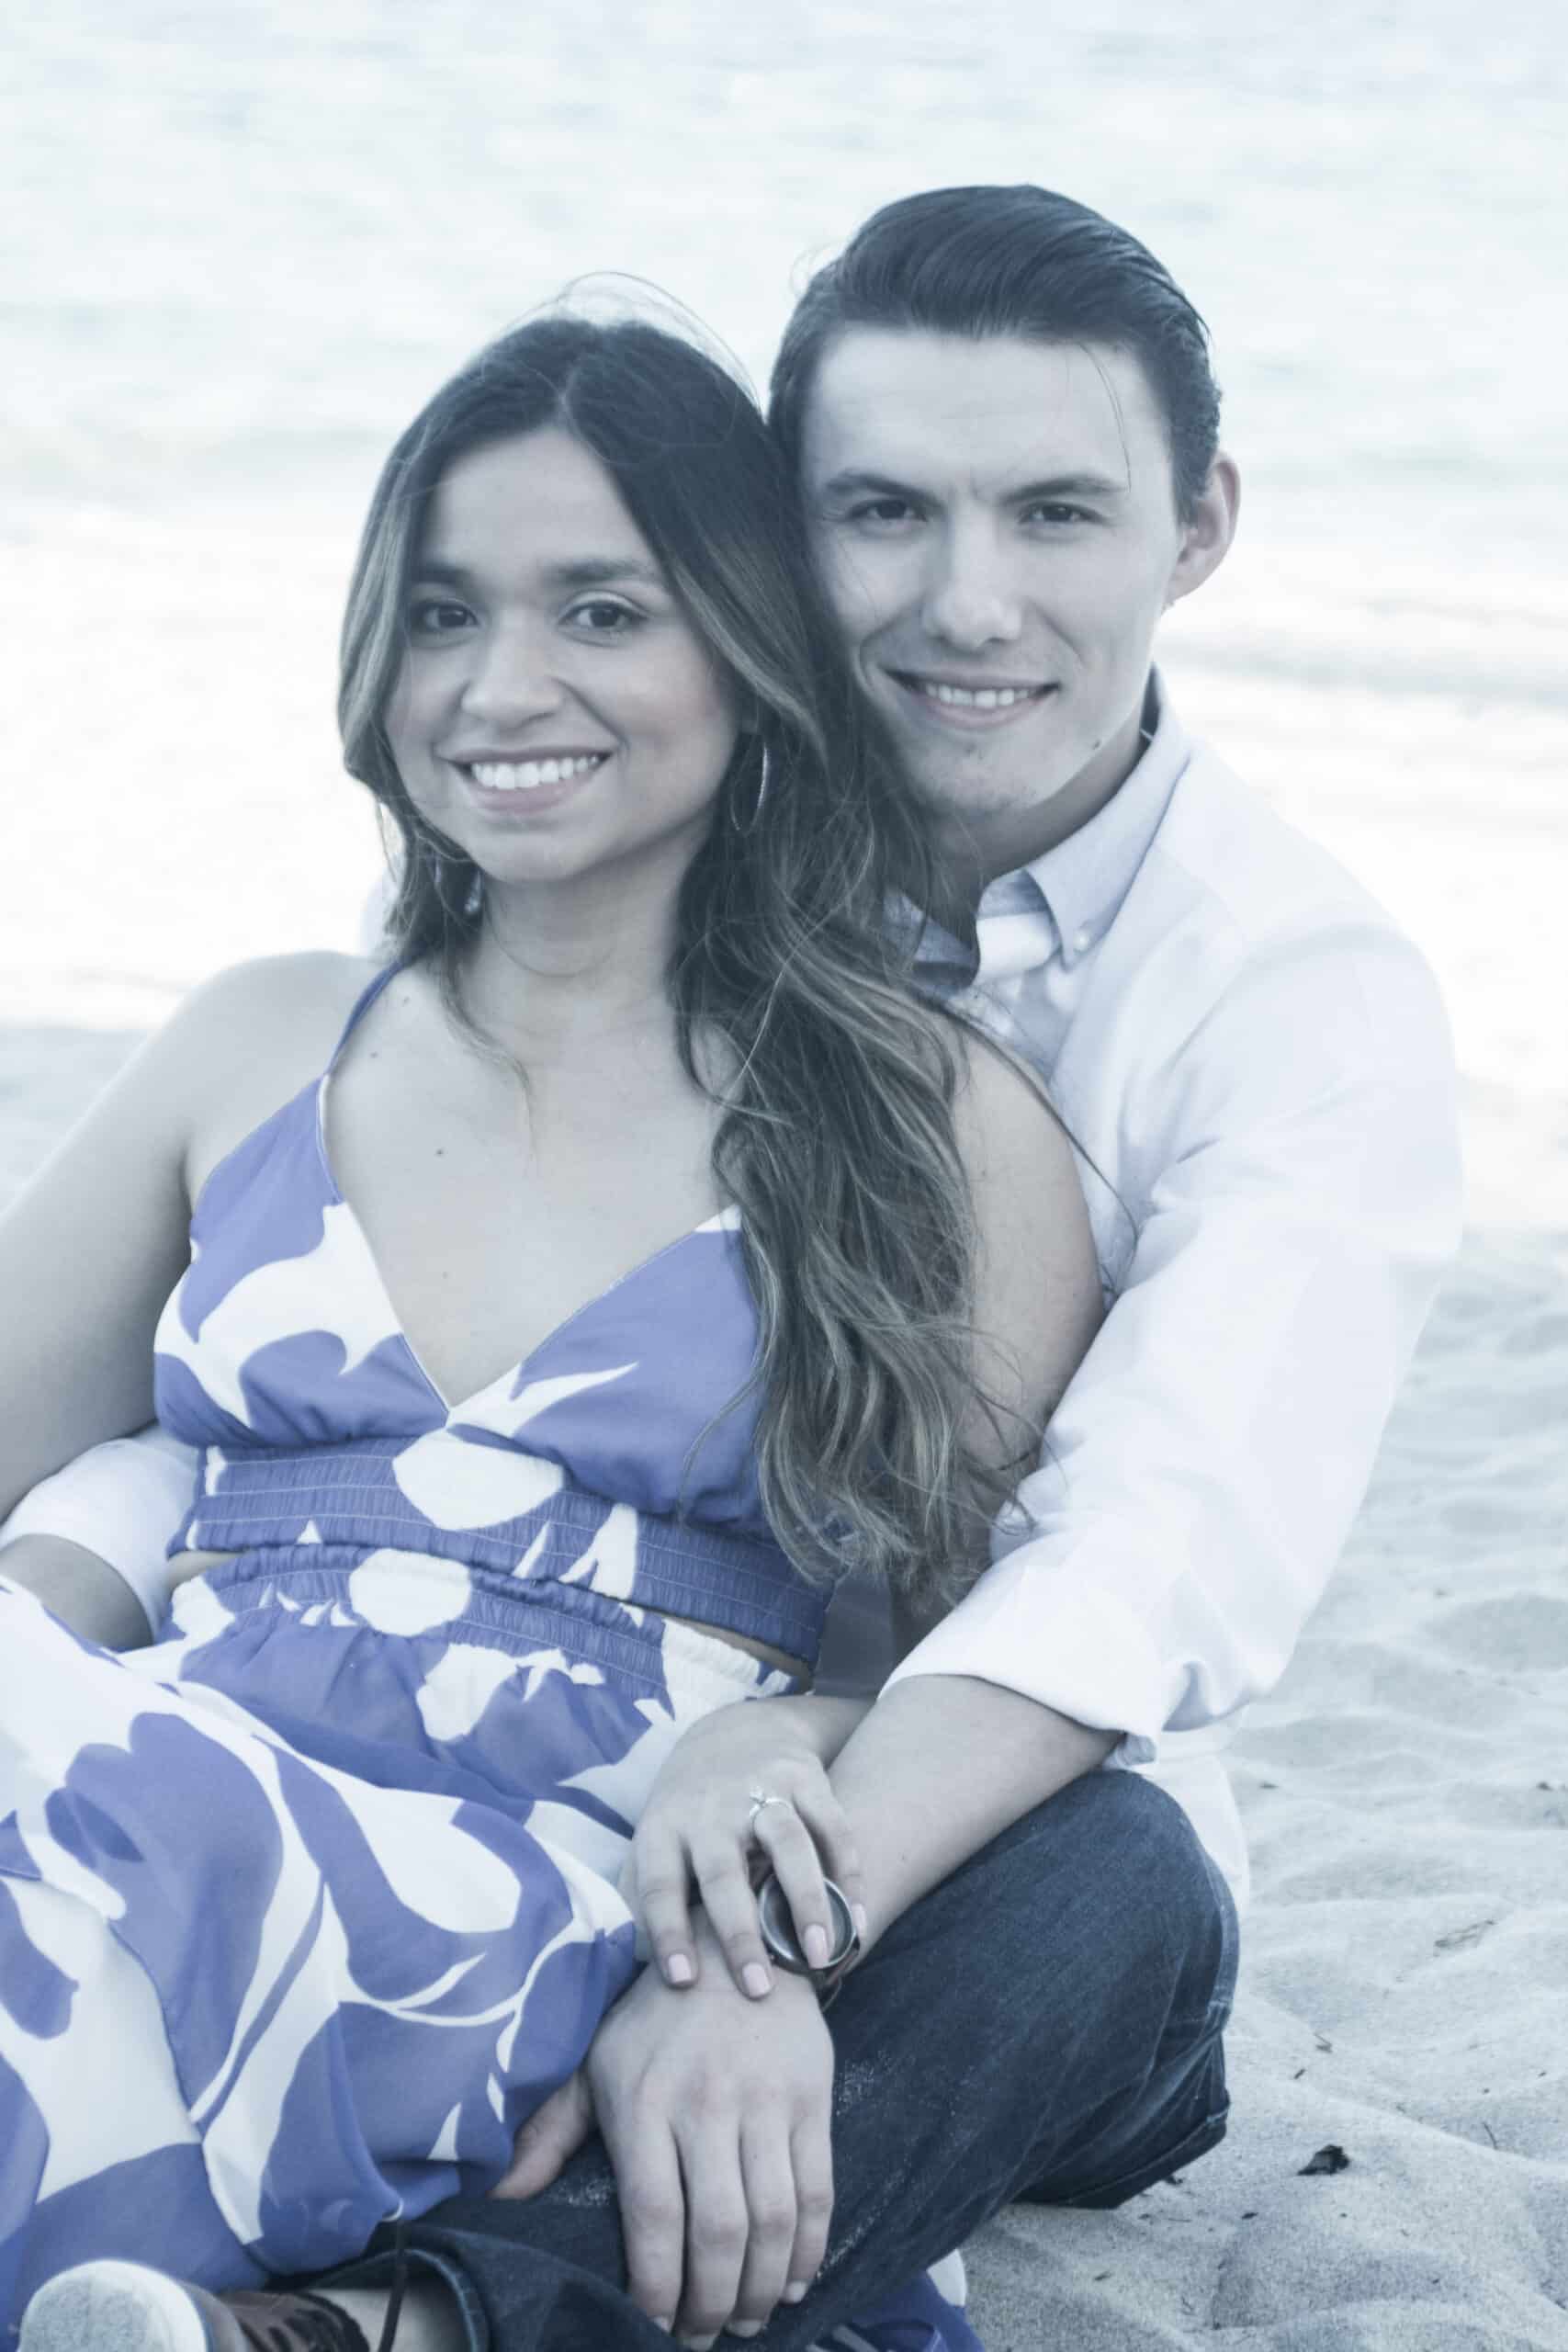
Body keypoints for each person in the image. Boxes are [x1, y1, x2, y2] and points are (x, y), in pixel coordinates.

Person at [3, 185, 1463, 2352]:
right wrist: (113, 1544)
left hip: (977, 1851)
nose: (964, 600)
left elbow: (1121, 1571)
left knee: (1109, 1884)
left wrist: (770, 1893)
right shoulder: (415, 962)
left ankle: (425, 2322)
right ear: (785, 550)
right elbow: (238, 1390)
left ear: (1194, 527)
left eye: (1052, 510)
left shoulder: (1274, 1009)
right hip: (283, 1766)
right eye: (883, 510)